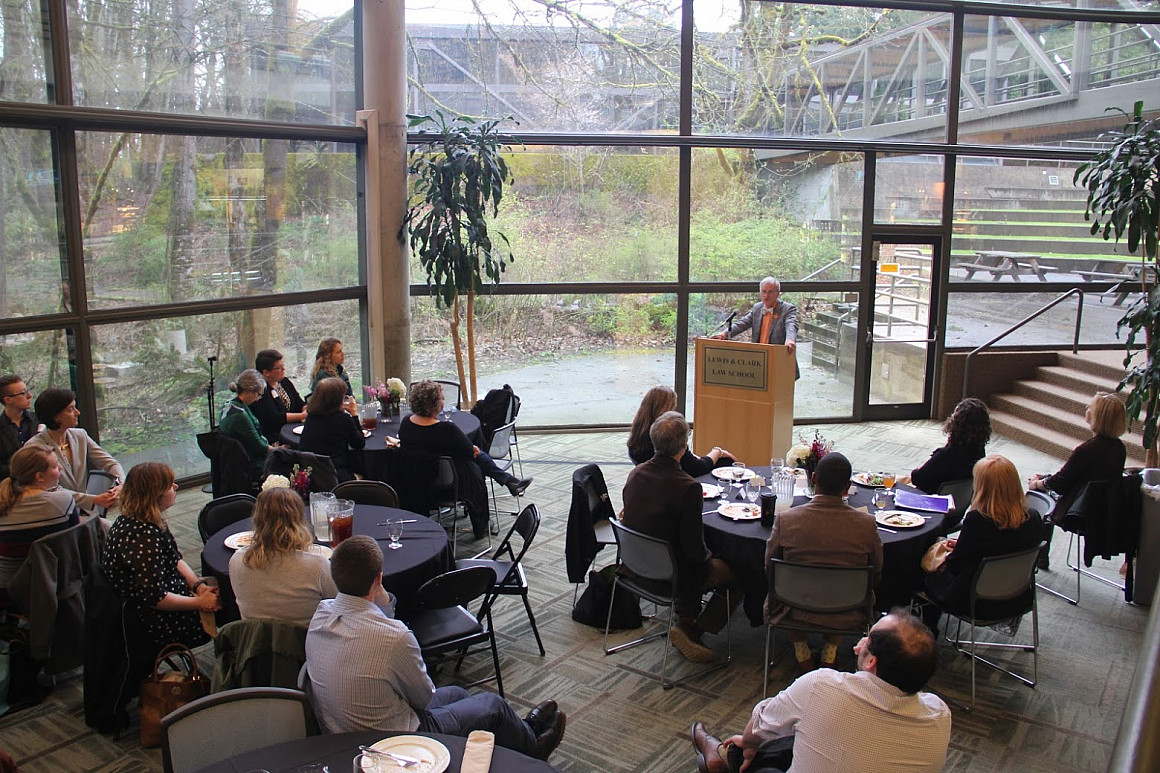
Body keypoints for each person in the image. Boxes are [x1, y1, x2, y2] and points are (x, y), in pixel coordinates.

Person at [305, 535, 566, 759]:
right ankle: (533, 748)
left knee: (458, 694)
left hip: (340, 730)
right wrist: (385, 605)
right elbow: (423, 698)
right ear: (378, 579)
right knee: (492, 706)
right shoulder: (393, 637)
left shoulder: (320, 614)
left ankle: (515, 736)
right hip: (393, 741)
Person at [690, 610, 951, 773]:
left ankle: (725, 758)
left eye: (867, 638)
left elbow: (758, 727)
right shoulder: (940, 714)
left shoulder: (821, 686)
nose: (859, 645)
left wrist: (748, 745)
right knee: (802, 737)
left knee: (774, 746)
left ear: (871, 661)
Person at [621, 410, 742, 664]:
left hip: (635, 566)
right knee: (740, 571)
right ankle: (694, 629)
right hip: (669, 574)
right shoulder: (687, 487)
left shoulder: (636, 474)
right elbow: (694, 554)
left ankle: (686, 618)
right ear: (684, 448)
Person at [765, 451, 881, 673]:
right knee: (843, 583)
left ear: (814, 479)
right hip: (848, 608)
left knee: (785, 585)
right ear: (847, 486)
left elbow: (770, 569)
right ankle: (830, 652)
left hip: (793, 607)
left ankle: (801, 650)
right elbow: (876, 572)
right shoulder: (866, 524)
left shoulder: (786, 520)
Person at [102, 463, 220, 649]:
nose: (176, 488)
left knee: (218, 592)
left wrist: (198, 586)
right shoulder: (140, 538)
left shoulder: (144, 519)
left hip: (166, 594)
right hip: (152, 621)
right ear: (155, 494)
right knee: (229, 602)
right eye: (169, 485)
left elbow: (174, 559)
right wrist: (199, 602)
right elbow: (155, 598)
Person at [398, 381, 531, 540]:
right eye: (441, 399)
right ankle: (508, 482)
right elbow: (470, 451)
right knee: (476, 458)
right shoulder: (447, 430)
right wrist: (473, 450)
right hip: (450, 484)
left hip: (415, 483)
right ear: (436, 404)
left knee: (473, 456)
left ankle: (509, 481)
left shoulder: (406, 423)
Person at [922, 454, 1042, 628]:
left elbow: (955, 566)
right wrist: (964, 546)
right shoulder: (1033, 517)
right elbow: (1004, 547)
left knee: (920, 570)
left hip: (975, 600)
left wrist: (949, 553)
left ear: (982, 487)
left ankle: (928, 629)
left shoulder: (978, 520)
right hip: (1017, 596)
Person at [1027, 391, 1127, 570]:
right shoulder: (1119, 449)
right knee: (1045, 482)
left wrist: (1037, 483)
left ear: (1098, 416)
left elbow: (1059, 484)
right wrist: (1045, 479)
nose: (1086, 408)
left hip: (1079, 511)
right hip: (1103, 509)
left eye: (1090, 407)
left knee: (1036, 496)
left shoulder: (1086, 450)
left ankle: (1037, 558)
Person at [230, 487, 336, 626]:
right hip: (308, 643)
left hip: (255, 642)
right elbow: (338, 605)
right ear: (299, 518)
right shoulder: (317, 565)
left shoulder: (237, 560)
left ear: (258, 518)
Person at [0, 446, 80, 599]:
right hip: (54, 586)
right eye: (56, 466)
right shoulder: (62, 502)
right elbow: (75, 543)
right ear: (39, 477)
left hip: (6, 590)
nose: (61, 468)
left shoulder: (4, 505)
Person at [25, 388, 123, 513]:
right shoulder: (34, 447)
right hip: (57, 513)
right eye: (71, 409)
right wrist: (94, 500)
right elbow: (50, 490)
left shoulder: (80, 435)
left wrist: (120, 485)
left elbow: (110, 463)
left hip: (86, 511)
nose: (77, 412)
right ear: (55, 416)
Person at [627, 386, 737, 476]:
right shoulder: (667, 432)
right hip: (673, 478)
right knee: (726, 463)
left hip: (653, 477)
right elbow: (697, 468)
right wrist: (718, 451)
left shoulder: (639, 433)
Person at [910, 397, 990, 495]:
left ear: (957, 423)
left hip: (932, 501)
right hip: (958, 504)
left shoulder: (945, 455)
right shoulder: (979, 452)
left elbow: (917, 478)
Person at [299, 376, 364, 483]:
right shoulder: (343, 419)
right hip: (336, 474)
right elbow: (359, 443)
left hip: (312, 473)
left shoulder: (311, 417)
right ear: (338, 399)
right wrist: (354, 415)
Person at [219, 369, 271, 485]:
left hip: (233, 461)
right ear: (250, 391)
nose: (258, 399)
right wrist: (280, 450)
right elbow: (260, 447)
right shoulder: (240, 416)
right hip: (251, 464)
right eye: (259, 395)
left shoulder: (228, 405)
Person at [251, 349, 307, 444]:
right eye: (279, 368)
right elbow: (274, 418)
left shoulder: (285, 382)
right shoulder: (260, 392)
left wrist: (305, 408)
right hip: (276, 438)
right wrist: (302, 415)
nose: (283, 369)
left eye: (283, 366)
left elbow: (299, 402)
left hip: (294, 430)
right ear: (266, 372)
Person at [0, 374, 36, 481]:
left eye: (27, 391)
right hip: (11, 488)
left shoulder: (39, 420)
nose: (29, 396)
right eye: (23, 393)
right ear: (7, 400)